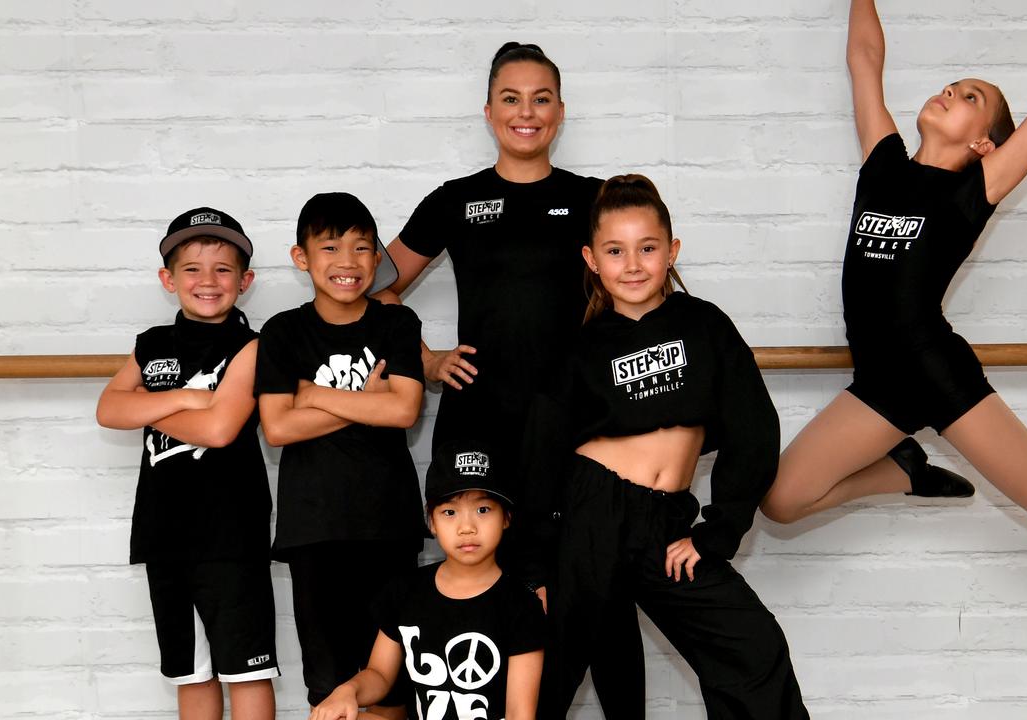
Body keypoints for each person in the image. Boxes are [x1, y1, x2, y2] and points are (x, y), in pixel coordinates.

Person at [760, 0, 1027, 528]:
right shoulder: (882, 161)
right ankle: (903, 472)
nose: (950, 92)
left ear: (984, 143)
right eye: (952, 85)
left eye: (969, 97)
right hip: (878, 379)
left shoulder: (973, 189)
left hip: (932, 369)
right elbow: (865, 58)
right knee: (779, 501)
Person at [372, 41, 646, 715]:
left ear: (560, 111)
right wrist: (427, 359)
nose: (527, 112)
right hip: (481, 425)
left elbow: (641, 288)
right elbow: (367, 288)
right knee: (500, 600)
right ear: (489, 111)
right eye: (512, 98)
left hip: (577, 429)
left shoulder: (591, 200)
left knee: (597, 588)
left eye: (542, 98)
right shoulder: (456, 200)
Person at [533, 175, 809, 719]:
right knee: (551, 675)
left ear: (672, 250)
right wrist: (534, 570)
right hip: (591, 516)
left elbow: (754, 428)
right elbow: (539, 453)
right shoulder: (580, 346)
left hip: (665, 525)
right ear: (591, 259)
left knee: (752, 650)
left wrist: (718, 531)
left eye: (647, 248)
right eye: (615, 250)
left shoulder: (704, 325)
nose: (632, 264)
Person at [95, 207, 278, 720]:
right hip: (163, 535)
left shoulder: (253, 346)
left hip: (229, 536)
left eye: (222, 269)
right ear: (167, 279)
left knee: (245, 671)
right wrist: (191, 398)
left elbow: (220, 430)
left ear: (245, 281)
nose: (207, 281)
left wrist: (152, 409)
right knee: (190, 672)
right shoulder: (152, 345)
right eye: (192, 268)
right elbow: (110, 409)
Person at [254, 193, 427, 718]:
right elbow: (278, 426)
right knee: (330, 684)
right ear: (301, 257)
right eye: (330, 248)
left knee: (392, 681)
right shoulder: (284, 331)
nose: (347, 262)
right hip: (315, 532)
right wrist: (369, 401)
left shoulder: (396, 324)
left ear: (377, 260)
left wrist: (315, 394)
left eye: (361, 249)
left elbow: (404, 412)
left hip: (387, 527)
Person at [312, 442, 546, 720]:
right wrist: (347, 690)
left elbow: (521, 713)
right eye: (450, 512)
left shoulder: (521, 605)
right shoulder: (405, 591)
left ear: (506, 517)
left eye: (483, 509)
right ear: (431, 522)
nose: (467, 527)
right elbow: (380, 675)